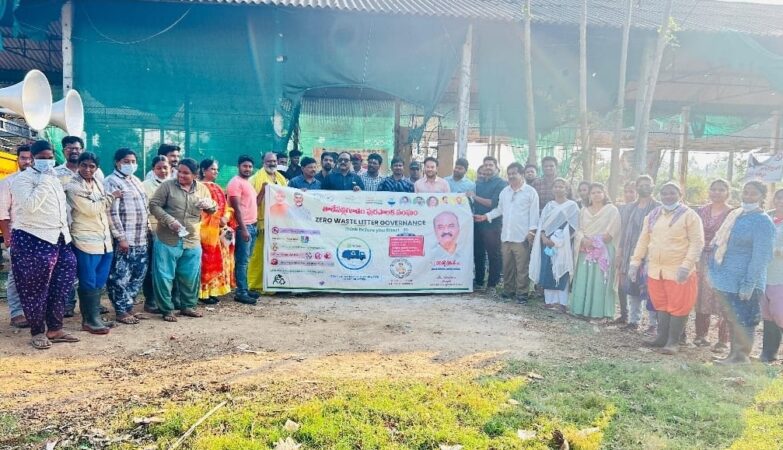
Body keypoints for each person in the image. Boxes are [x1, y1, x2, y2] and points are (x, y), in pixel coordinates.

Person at [10, 140, 79, 349]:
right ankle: (38, 331)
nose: (47, 161)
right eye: (42, 158)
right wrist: (45, 180)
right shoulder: (22, 179)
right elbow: (31, 206)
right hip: (33, 238)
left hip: (59, 238)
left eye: (50, 157)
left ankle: (55, 328)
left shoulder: (55, 177)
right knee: (34, 288)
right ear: (32, 159)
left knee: (61, 285)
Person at [630, 182, 704, 355]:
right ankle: (662, 337)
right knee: (661, 304)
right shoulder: (653, 215)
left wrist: (686, 266)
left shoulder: (690, 215)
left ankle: (673, 342)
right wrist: (635, 262)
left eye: (672, 193)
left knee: (679, 306)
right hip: (656, 270)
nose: (668, 196)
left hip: (678, 270)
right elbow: (643, 240)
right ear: (660, 195)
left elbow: (697, 243)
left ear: (680, 195)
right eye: (664, 193)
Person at [709, 181, 775, 364]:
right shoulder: (737, 215)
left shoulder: (763, 222)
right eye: (745, 192)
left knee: (745, 318)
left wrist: (749, 283)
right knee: (733, 317)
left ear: (762, 196)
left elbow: (761, 256)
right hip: (729, 279)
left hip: (747, 280)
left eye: (753, 193)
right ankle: (733, 354)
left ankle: (741, 357)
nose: (748, 196)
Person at [149, 158, 217, 322]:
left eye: (186, 173)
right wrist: (169, 220)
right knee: (164, 276)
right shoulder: (167, 186)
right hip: (167, 239)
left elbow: (212, 209)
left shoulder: (202, 189)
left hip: (192, 240)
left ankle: (188, 306)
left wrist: (209, 206)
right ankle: (167, 309)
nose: (181, 175)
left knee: (190, 276)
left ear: (195, 175)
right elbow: (154, 205)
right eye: (179, 171)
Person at [64, 152, 120, 334]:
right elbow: (90, 209)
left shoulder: (97, 182)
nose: (87, 169)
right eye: (84, 165)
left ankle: (95, 316)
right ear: (78, 165)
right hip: (85, 240)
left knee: (99, 280)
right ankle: (89, 321)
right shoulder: (72, 185)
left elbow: (102, 210)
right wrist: (111, 197)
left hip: (104, 239)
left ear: (97, 168)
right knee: (88, 280)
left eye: (92, 166)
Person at [474, 162, 539, 303]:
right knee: (507, 266)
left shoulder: (530, 192)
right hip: (506, 236)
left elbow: (534, 215)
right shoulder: (505, 192)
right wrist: (486, 216)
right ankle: (508, 291)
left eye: (514, 173)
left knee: (522, 267)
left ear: (521, 174)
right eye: (509, 174)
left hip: (522, 236)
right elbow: (499, 210)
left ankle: (522, 293)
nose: (511, 176)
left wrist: (532, 232)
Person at [104, 148, 149, 325]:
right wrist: (121, 237)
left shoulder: (136, 180)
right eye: (126, 161)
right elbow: (111, 213)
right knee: (119, 276)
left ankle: (129, 307)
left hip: (141, 238)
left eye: (133, 161)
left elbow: (145, 208)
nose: (130, 164)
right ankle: (121, 310)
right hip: (125, 239)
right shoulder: (111, 182)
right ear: (117, 162)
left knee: (138, 275)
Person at [570, 183, 622, 321]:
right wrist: (583, 240)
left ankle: (599, 312)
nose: (596, 195)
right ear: (589, 195)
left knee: (600, 281)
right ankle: (581, 309)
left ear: (605, 194)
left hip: (603, 251)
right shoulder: (583, 211)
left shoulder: (612, 210)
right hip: (585, 250)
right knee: (584, 278)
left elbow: (612, 232)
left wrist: (595, 242)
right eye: (593, 193)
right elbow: (578, 229)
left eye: (599, 192)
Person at [615, 175, 660, 330]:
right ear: (637, 187)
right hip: (630, 251)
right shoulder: (629, 208)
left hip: (651, 253)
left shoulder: (658, 207)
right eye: (641, 185)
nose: (644, 187)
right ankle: (633, 320)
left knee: (651, 287)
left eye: (648, 184)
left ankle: (653, 323)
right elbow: (624, 232)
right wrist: (620, 254)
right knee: (632, 285)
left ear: (653, 186)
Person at [692, 179, 733, 349]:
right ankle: (701, 335)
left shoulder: (733, 213)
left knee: (722, 297)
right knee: (701, 295)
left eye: (721, 189)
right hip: (701, 258)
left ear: (727, 192)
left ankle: (723, 339)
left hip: (723, 259)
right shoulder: (700, 211)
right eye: (714, 189)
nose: (717, 192)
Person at [529, 178, 579, 311]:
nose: (558, 189)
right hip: (547, 243)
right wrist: (544, 238)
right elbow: (542, 224)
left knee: (562, 270)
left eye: (561, 186)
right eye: (555, 186)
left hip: (564, 244)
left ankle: (562, 302)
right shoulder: (549, 205)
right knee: (548, 269)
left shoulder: (572, 206)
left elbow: (574, 226)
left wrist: (559, 240)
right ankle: (549, 301)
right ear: (552, 189)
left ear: (567, 189)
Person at [0, 144, 32, 328]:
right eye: (23, 158)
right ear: (17, 159)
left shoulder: (41, 181)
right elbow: (2, 213)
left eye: (30, 158)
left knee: (35, 274)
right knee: (16, 274)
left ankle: (32, 310)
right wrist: (7, 237)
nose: (27, 162)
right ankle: (16, 313)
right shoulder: (8, 182)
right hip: (17, 236)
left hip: (40, 236)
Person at [248, 152, 288, 293]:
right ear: (263, 162)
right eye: (269, 161)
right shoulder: (254, 179)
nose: (272, 163)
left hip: (278, 224)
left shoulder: (281, 179)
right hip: (261, 224)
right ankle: (255, 285)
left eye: (274, 161)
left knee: (275, 255)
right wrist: (263, 191)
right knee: (258, 255)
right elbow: (251, 204)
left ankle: (273, 284)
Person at [198, 159, 234, 304]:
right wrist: (217, 220)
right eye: (212, 169)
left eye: (216, 169)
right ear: (203, 170)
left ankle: (213, 291)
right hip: (207, 233)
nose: (216, 172)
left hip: (220, 232)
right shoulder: (199, 187)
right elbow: (201, 211)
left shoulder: (218, 187)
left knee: (221, 262)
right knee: (206, 262)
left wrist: (226, 217)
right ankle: (203, 293)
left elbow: (227, 208)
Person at [468, 157, 507, 291]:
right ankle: (479, 281)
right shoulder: (479, 184)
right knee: (478, 253)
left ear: (497, 167)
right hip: (477, 223)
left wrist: (474, 196)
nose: (488, 167)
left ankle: (492, 285)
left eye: (491, 165)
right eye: (485, 165)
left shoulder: (501, 184)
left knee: (493, 254)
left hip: (492, 224)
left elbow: (493, 204)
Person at [227, 155, 261, 304]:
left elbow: (254, 203)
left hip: (252, 225)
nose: (247, 169)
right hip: (243, 227)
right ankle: (241, 292)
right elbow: (236, 208)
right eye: (245, 166)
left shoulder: (247, 183)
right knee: (242, 261)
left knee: (246, 260)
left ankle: (244, 288)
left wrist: (264, 190)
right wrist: (243, 228)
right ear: (238, 167)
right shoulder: (235, 183)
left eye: (250, 166)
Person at [141, 156, 171, 314]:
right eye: (159, 168)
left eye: (165, 167)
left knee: (168, 267)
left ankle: (167, 299)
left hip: (173, 232)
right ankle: (151, 300)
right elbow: (144, 209)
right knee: (153, 266)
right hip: (154, 230)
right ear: (153, 169)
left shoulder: (175, 184)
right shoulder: (145, 186)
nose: (163, 171)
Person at [760, 189, 783, 362]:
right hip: (763, 274)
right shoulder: (765, 217)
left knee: (780, 313)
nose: (781, 201)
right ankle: (768, 353)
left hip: (780, 275)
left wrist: (777, 251)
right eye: (779, 197)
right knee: (767, 315)